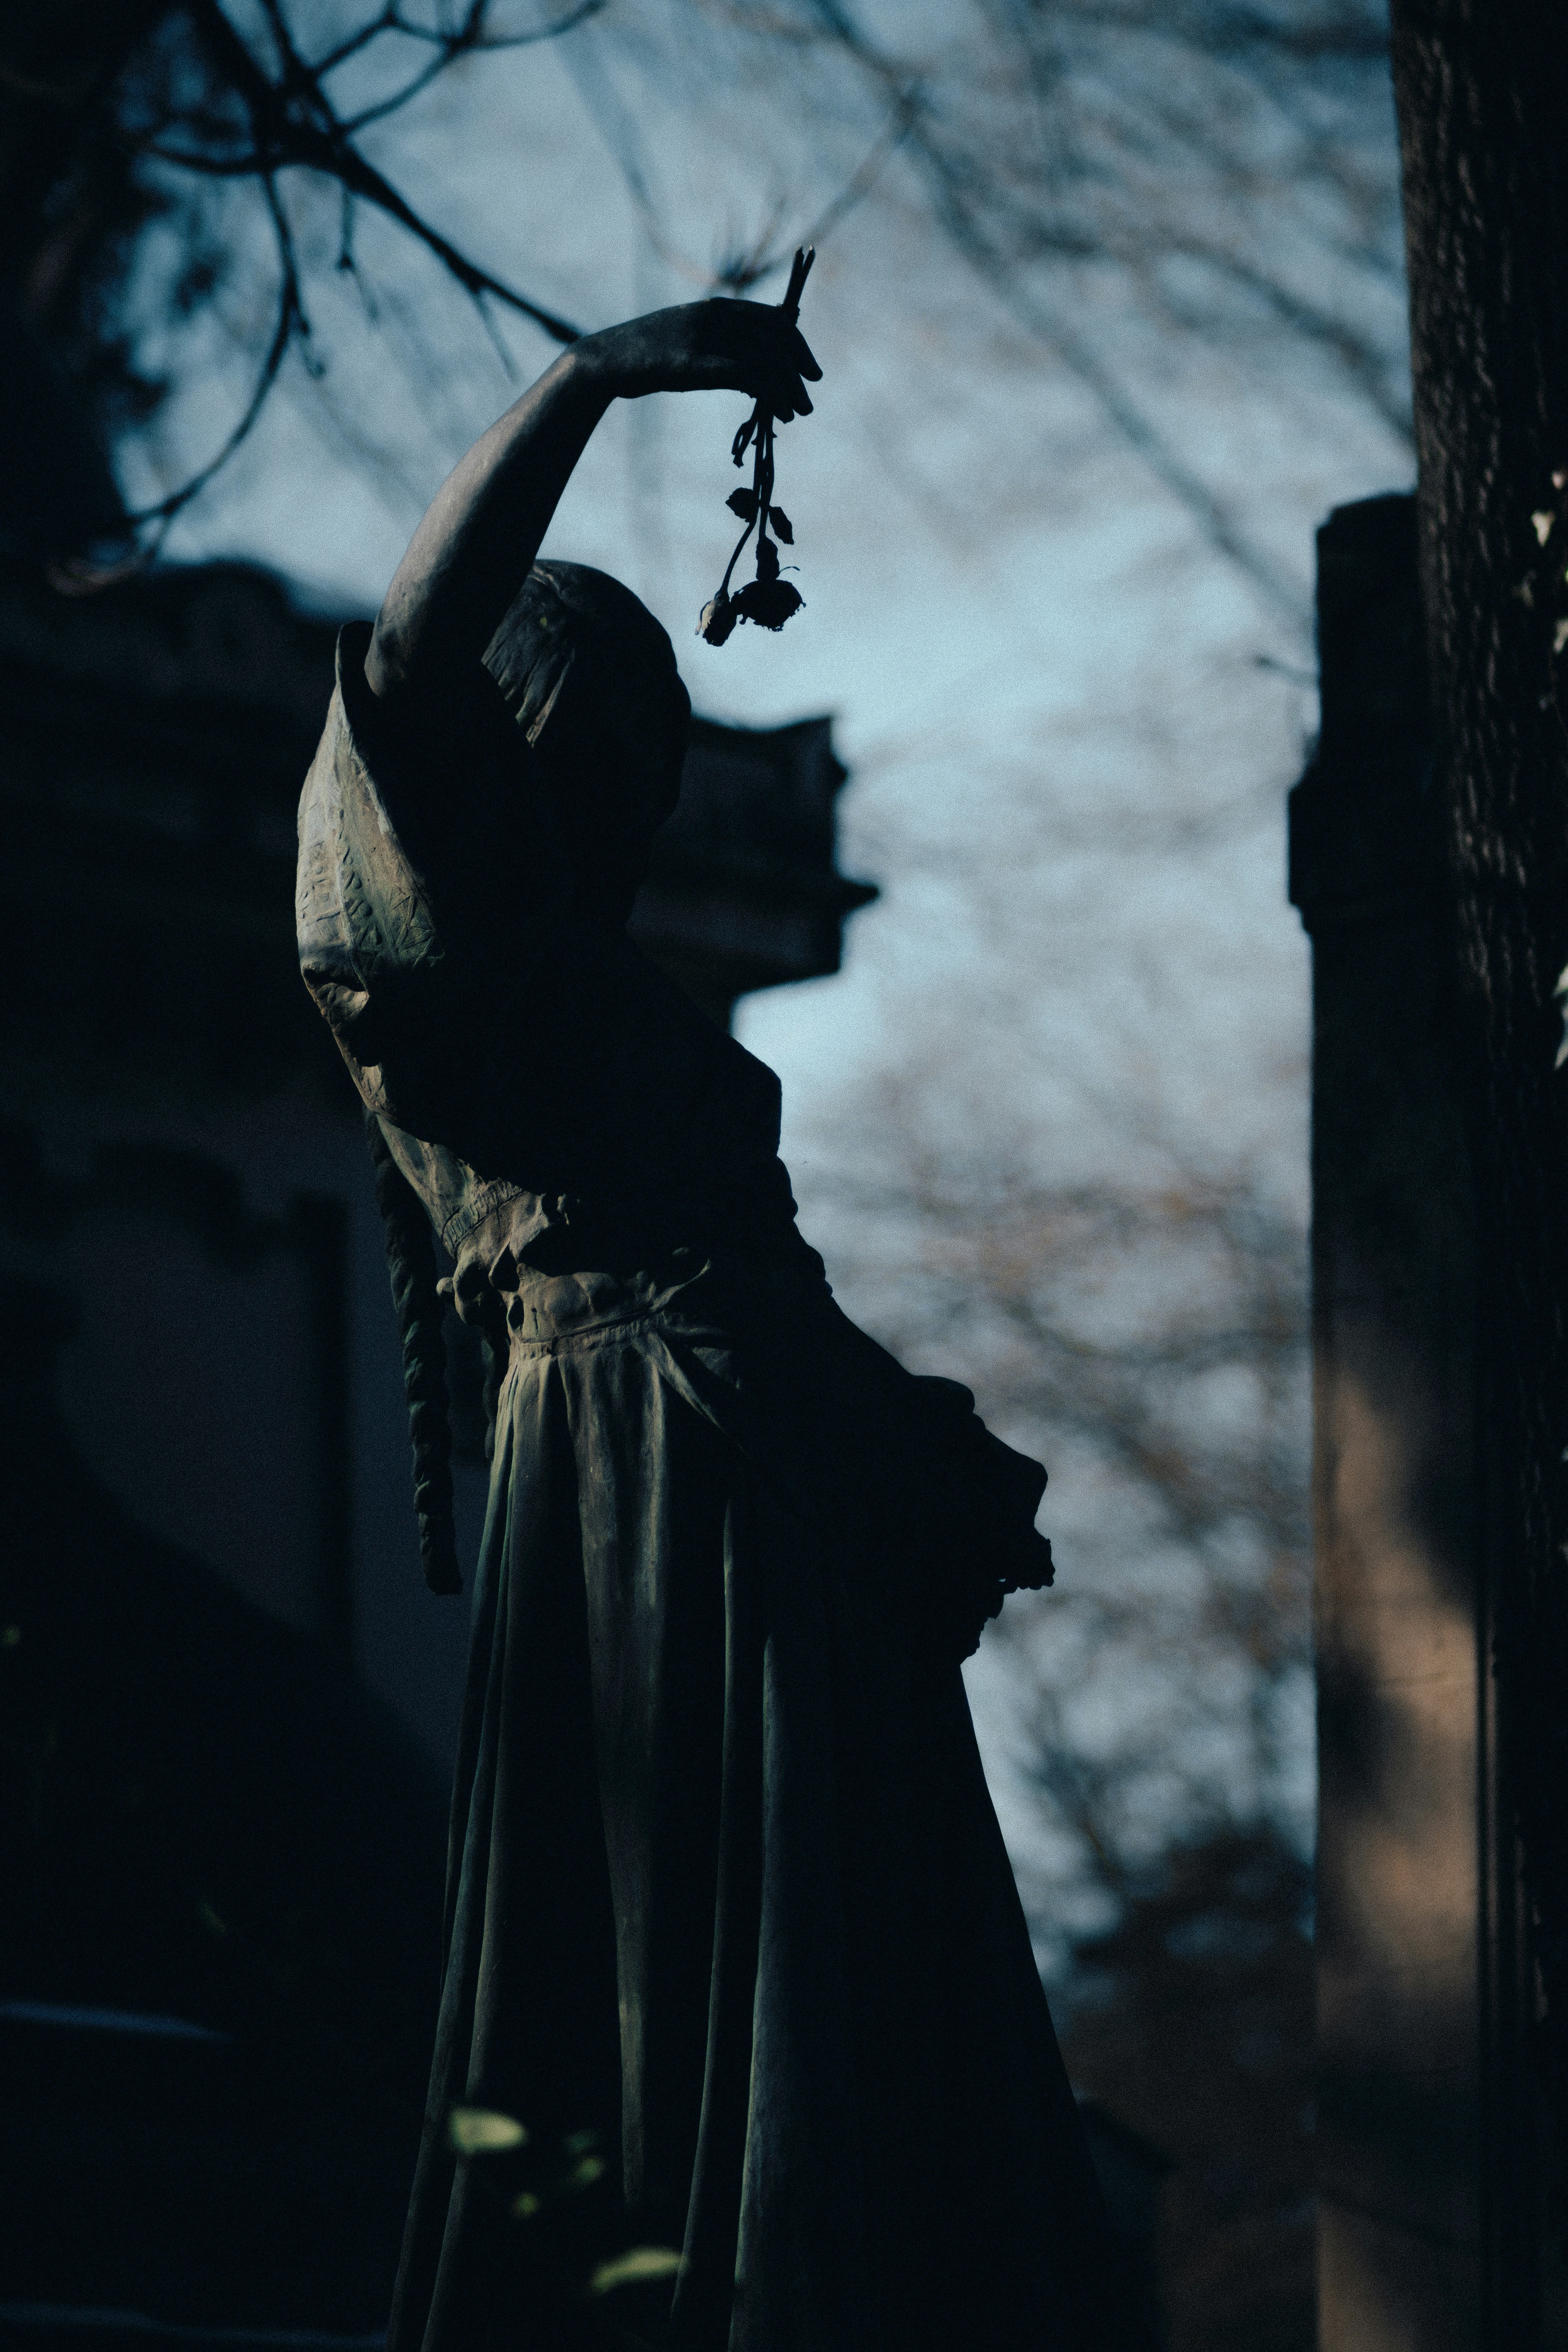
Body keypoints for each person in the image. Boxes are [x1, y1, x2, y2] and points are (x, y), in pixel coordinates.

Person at [296, 297, 1143, 2352]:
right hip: (640, 1488)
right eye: (584, 748)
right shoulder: (431, 966)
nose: (623, 799)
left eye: (646, 767)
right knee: (696, 1997)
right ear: (498, 759)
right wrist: (589, 382)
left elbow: (749, 1280)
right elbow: (410, 657)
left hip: (765, 1478)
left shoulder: (584, 980)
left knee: (861, 2027)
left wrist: (906, 1444)